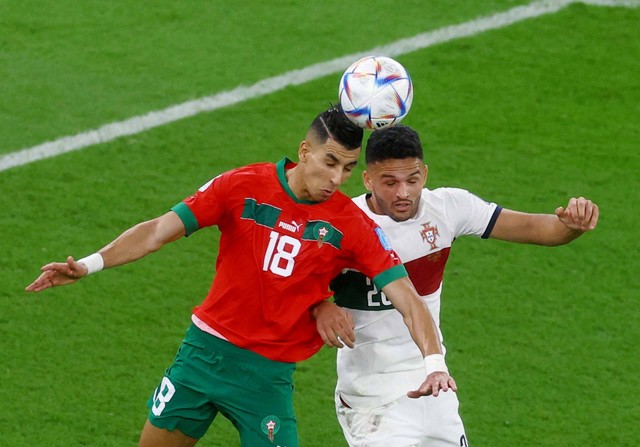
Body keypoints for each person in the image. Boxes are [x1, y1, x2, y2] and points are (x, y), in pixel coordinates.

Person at [25, 107, 457, 447]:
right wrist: (89, 263)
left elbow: (408, 297)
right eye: (329, 162)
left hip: (266, 378)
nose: (336, 179)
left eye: (346, 168)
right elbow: (158, 230)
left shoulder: (352, 224)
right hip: (203, 356)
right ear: (305, 152)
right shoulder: (242, 185)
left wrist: (434, 364)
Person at [312, 124, 599, 447]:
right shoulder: (340, 224)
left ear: (425, 173)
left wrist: (572, 226)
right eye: (389, 183)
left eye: (412, 180)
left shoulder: (448, 208)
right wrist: (319, 305)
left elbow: (537, 228)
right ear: (368, 179)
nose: (403, 192)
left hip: (434, 383)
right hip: (371, 399)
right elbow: (287, 280)